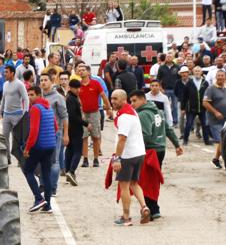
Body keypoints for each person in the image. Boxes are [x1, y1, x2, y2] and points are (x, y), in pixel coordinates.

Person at [131, 88, 182, 220]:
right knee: (153, 180)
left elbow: (146, 136)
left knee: (146, 181)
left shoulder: (143, 114)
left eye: (134, 101)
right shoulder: (158, 111)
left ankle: (151, 208)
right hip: (160, 149)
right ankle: (154, 207)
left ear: (143, 99)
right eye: (131, 101)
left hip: (150, 150)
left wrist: (131, 142)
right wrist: (177, 144)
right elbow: (168, 129)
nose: (132, 104)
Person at [109, 89, 149, 226]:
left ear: (123, 100)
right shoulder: (132, 112)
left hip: (128, 155)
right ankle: (144, 207)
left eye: (115, 99)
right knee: (134, 183)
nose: (113, 101)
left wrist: (117, 158)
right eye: (112, 98)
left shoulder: (124, 117)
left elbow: (122, 139)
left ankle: (126, 217)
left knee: (124, 186)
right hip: (139, 152)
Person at [22, 86, 58, 213]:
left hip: (39, 146)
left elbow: (34, 131)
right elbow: (56, 127)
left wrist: (27, 148)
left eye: (32, 95)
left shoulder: (35, 108)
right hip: (50, 146)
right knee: (46, 175)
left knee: (28, 171)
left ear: (38, 95)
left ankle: (38, 198)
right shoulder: (47, 107)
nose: (29, 97)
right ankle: (48, 205)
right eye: (28, 94)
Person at [76, 61, 112, 168]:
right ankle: (85, 159)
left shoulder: (96, 83)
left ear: (88, 72)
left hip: (95, 113)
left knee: (96, 136)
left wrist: (109, 108)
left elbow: (103, 96)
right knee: (84, 137)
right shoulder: (77, 85)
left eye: (83, 70)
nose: (81, 72)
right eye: (79, 70)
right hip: (83, 114)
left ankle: (96, 158)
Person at [40, 74, 69, 195]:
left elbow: (64, 116)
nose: (43, 82)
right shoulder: (39, 97)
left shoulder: (58, 97)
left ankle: (52, 188)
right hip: (41, 133)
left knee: (54, 160)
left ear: (51, 81)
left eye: (45, 80)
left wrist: (65, 134)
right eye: (41, 80)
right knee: (42, 160)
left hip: (55, 132)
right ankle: (43, 185)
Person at [0, 63, 29, 164]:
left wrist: (25, 112)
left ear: (12, 73)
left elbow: (26, 99)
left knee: (17, 138)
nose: (4, 74)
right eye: (4, 72)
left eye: (6, 72)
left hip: (17, 115)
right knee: (4, 137)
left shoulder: (19, 84)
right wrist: (0, 111)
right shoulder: (5, 84)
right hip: (6, 115)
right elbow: (3, 99)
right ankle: (7, 158)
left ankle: (20, 158)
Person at [204, 70, 226, 168]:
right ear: (216, 77)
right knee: (222, 140)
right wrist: (215, 112)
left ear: (225, 77)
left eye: (222, 75)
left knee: (222, 140)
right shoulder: (211, 89)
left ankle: (216, 159)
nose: (220, 77)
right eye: (218, 76)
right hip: (215, 120)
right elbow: (205, 103)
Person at [63, 78, 88, 186]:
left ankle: (68, 170)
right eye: (76, 88)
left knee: (69, 151)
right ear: (71, 88)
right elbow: (73, 116)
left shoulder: (70, 97)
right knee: (77, 151)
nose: (78, 90)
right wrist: (86, 124)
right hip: (75, 129)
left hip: (69, 129)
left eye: (79, 88)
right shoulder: (71, 99)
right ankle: (71, 171)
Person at [181, 65, 208, 145]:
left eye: (198, 71)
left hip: (202, 108)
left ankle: (206, 140)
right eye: (195, 71)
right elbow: (184, 96)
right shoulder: (189, 82)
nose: (197, 72)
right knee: (188, 124)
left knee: (205, 124)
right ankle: (185, 140)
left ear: (201, 72)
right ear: (193, 72)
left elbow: (209, 95)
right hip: (191, 108)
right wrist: (182, 108)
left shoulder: (205, 83)